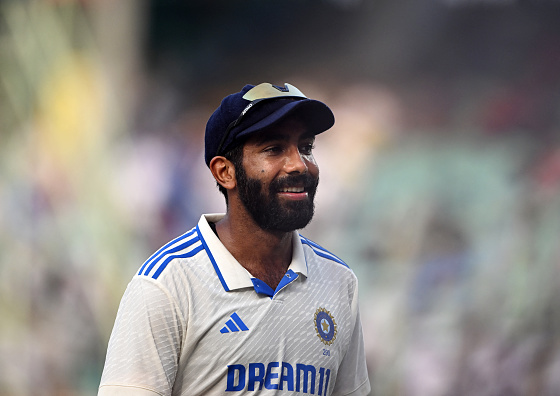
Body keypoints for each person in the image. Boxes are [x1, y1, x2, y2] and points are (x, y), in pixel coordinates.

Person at [98, 82, 371, 396]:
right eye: (274, 149)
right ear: (224, 172)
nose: (299, 164)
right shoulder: (167, 285)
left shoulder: (339, 282)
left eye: (306, 147)